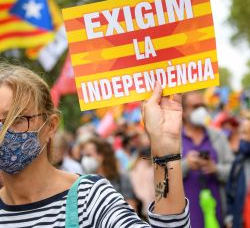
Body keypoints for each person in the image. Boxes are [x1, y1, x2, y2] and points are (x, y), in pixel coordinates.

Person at [0, 63, 190, 227]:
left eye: (17, 119)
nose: (3, 131)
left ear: (50, 126)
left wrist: (165, 151)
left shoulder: (88, 199)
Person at [181, 91, 234, 227]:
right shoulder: (174, 140)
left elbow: (234, 170)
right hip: (187, 218)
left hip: (217, 214)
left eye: (203, 106)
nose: (201, 110)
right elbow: (161, 176)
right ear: (183, 111)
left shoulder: (218, 137)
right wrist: (186, 164)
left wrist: (216, 169)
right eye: (195, 106)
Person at [78, 136, 138, 211]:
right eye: (83, 155)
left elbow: (132, 209)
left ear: (101, 156)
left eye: (88, 155)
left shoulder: (121, 178)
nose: (85, 159)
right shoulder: (84, 183)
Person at [225, 117, 250, 228]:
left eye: (246, 133)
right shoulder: (238, 162)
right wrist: (230, 217)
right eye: (241, 133)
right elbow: (230, 192)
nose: (242, 138)